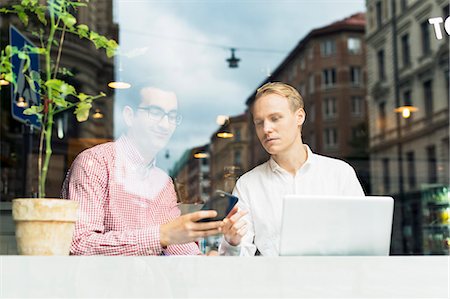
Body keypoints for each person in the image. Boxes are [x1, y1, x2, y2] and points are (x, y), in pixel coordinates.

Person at [62, 84, 246, 255]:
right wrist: (160, 236)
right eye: (155, 113)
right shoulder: (94, 163)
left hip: (152, 288)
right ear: (129, 116)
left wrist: (212, 256)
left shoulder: (162, 182)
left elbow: (178, 248)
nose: (165, 124)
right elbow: (79, 245)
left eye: (172, 116)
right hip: (101, 289)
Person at [219, 82, 364, 256]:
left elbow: (362, 242)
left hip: (333, 279)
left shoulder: (340, 174)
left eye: (275, 118)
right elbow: (235, 261)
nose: (266, 129)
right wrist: (233, 242)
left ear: (299, 117)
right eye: (259, 122)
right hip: (275, 281)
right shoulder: (248, 185)